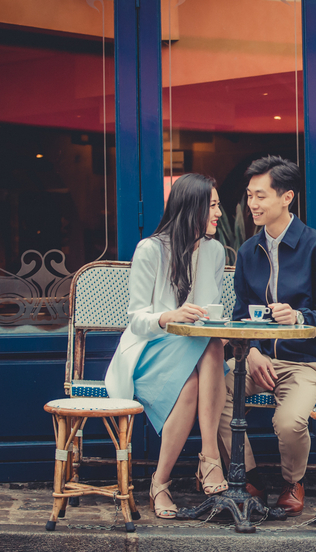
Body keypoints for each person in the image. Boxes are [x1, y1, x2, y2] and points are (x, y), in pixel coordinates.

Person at [218, 155, 316, 517]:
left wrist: (299, 316)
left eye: (260, 196)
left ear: (286, 197)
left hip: (305, 364)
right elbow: (241, 315)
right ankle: (250, 479)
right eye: (249, 195)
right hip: (257, 362)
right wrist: (253, 352)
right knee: (210, 394)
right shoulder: (247, 251)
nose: (251, 204)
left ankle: (294, 482)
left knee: (288, 423)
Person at [104, 173, 229, 519]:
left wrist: (205, 324)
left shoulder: (215, 251)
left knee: (210, 346)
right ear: (193, 207)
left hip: (196, 347)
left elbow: (208, 313)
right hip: (149, 350)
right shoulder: (150, 250)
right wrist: (168, 317)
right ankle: (205, 463)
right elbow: (136, 319)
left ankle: (171, 477)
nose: (219, 213)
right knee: (201, 363)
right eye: (214, 206)